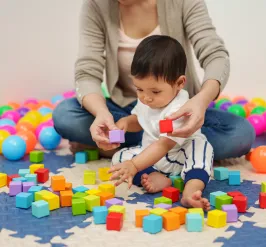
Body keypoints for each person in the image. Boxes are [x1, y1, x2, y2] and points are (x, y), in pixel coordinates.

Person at [53, 0, 255, 162]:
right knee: (65, 115)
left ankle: (131, 148)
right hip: (126, 107)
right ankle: (163, 150)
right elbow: (87, 70)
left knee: (241, 134)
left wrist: (201, 100)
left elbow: (215, 54)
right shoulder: (96, 5)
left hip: (178, 112)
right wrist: (102, 114)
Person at [109, 35, 213, 210]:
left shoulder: (180, 108)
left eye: (155, 91)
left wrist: (134, 165)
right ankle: (155, 177)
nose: (146, 97)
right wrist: (126, 122)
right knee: (119, 159)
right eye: (139, 89)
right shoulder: (145, 100)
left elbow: (164, 144)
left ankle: (191, 191)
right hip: (150, 157)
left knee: (201, 150)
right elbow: (139, 120)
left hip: (180, 154)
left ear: (179, 83)